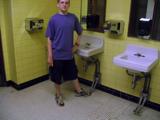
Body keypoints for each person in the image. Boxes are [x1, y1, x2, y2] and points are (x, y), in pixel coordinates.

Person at [45, 0, 88, 106]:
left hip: (69, 54)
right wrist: (50, 55)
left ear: (69, 5)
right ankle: (58, 95)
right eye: (62, 2)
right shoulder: (53, 19)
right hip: (57, 54)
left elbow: (80, 32)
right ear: (58, 4)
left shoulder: (73, 18)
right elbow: (49, 39)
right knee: (57, 77)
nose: (64, 4)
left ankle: (79, 90)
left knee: (73, 73)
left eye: (67, 2)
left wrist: (76, 45)